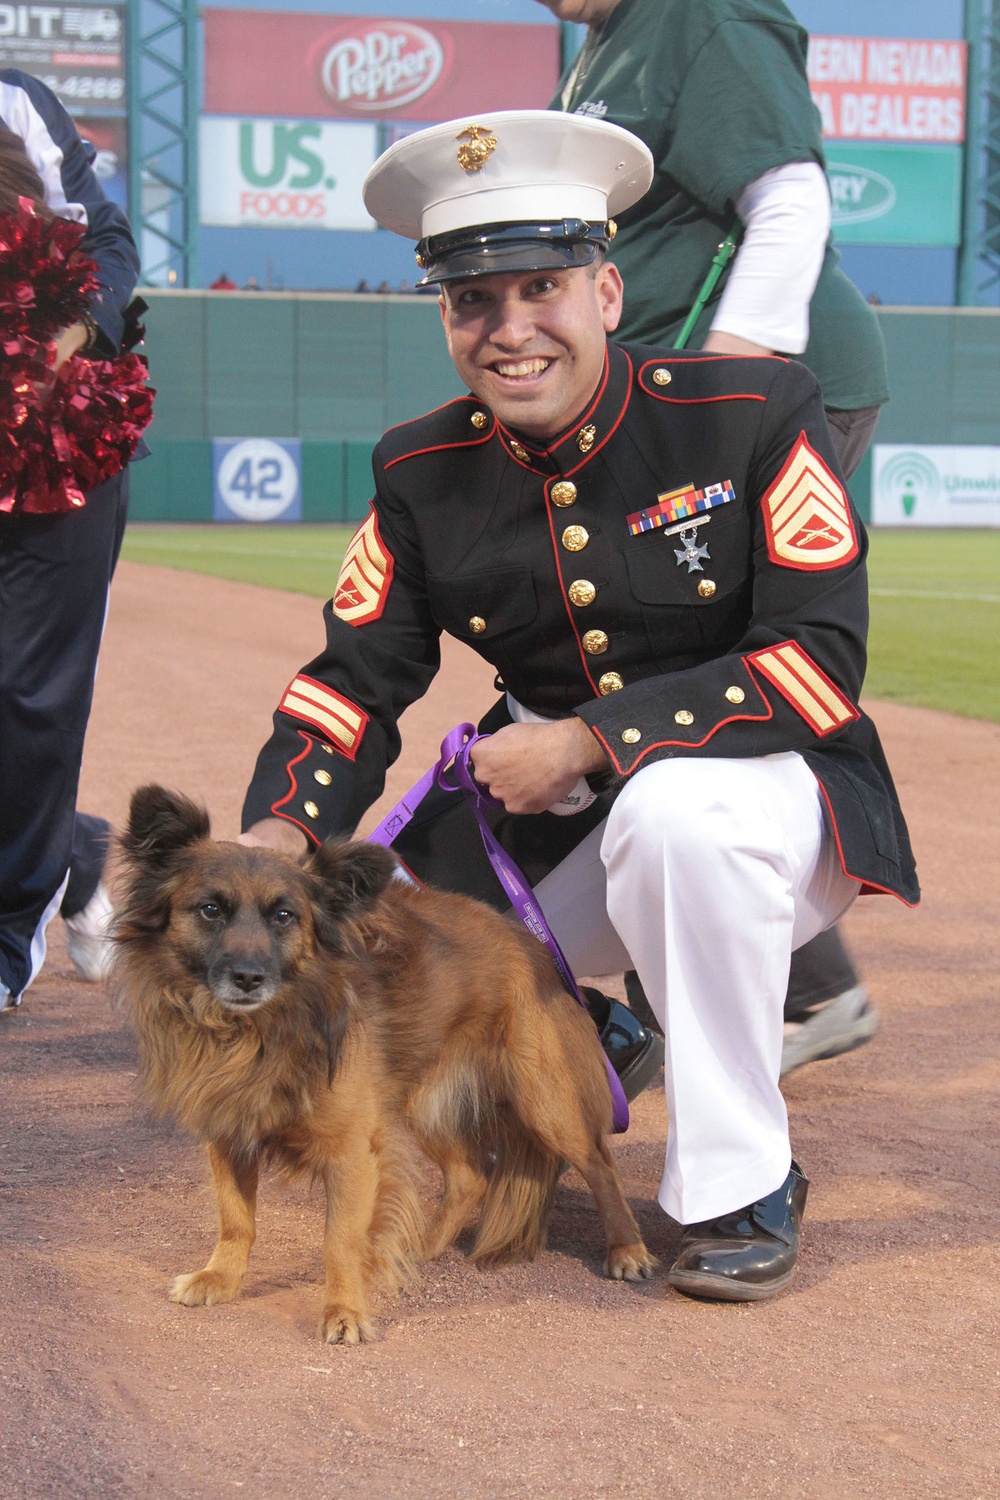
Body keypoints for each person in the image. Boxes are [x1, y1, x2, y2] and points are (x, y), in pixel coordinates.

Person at [239, 111, 917, 1300]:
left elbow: (817, 663)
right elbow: (353, 679)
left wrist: (597, 741)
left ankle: (738, 1185)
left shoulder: (747, 412)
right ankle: (587, 1034)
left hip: (774, 811)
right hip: (559, 828)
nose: (509, 332)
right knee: (365, 923)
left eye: (541, 288)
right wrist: (276, 834)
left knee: (675, 816)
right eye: (471, 304)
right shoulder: (420, 471)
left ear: (606, 291)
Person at [537, 0, 890, 1077]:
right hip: (654, 394)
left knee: (688, 671)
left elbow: (788, 200)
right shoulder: (607, 34)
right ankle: (760, 987)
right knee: (648, 669)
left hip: (751, 390)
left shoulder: (702, 12)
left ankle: (779, 997)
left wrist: (726, 389)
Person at [0, 71, 141, 1011]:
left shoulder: (14, 100)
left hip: (46, 434)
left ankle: (8, 932)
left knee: (27, 696)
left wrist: (77, 331)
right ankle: (76, 847)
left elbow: (108, 241)